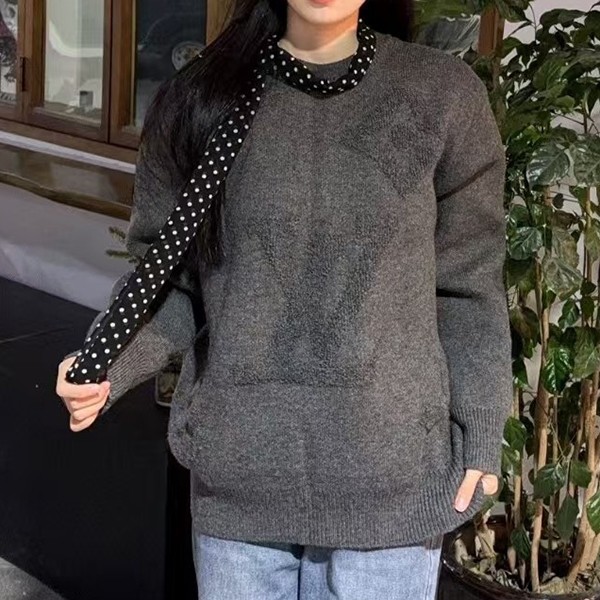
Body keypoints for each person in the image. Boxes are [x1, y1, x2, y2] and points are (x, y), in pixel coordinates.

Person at [55, 0, 513, 598]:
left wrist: (480, 430)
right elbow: (171, 277)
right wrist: (106, 363)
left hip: (393, 482)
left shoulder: (441, 94)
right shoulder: (203, 98)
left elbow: (469, 285)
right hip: (240, 478)